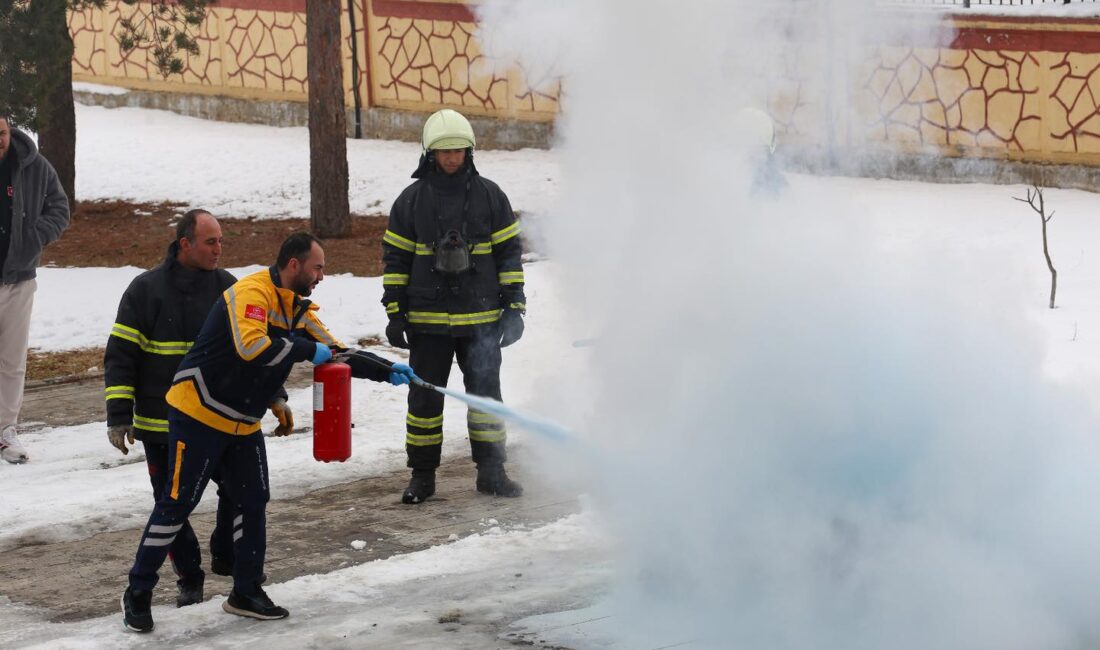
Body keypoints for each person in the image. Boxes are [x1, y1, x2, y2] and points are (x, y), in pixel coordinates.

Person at [121, 232, 415, 632]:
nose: (322, 276)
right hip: (198, 411)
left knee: (253, 499)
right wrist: (307, 351)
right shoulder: (250, 294)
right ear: (294, 265)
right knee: (178, 502)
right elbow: (252, 347)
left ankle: (245, 591)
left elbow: (335, 349)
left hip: (242, 420)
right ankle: (138, 591)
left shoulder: (296, 309)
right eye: (318, 268)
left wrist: (383, 369)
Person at [382, 108, 526, 505]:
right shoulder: (410, 202)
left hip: (481, 323)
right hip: (428, 325)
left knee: (485, 398)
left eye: (459, 151)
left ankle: (492, 471)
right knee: (424, 402)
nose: (451, 158)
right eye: (444, 152)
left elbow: (509, 255)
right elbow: (395, 259)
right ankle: (423, 476)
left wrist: (515, 308)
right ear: (429, 153)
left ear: (470, 151)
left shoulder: (490, 196)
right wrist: (395, 311)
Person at [104, 209, 239, 609]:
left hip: (217, 420)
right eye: (210, 242)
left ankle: (224, 552)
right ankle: (189, 577)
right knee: (172, 506)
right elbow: (120, 356)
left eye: (220, 241)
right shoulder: (145, 290)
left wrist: (274, 395)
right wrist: (118, 415)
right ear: (185, 244)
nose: (219, 249)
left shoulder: (228, 288)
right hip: (160, 425)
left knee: (238, 491)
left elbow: (252, 349)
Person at [0, 115, 70, 464]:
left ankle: (5, 431)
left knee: (12, 360)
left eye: (1, 132)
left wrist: (35, 237)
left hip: (19, 279)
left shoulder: (34, 165)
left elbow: (59, 207)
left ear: (9, 130)